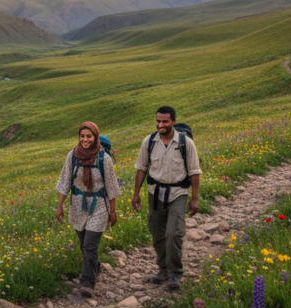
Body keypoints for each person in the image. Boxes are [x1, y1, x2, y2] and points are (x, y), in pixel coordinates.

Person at [131, 106, 202, 290]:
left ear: (173, 122)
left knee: (173, 233)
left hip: (178, 193)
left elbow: (194, 172)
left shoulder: (186, 144)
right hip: (155, 193)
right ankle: (163, 269)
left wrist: (195, 198)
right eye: (158, 121)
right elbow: (141, 168)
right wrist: (136, 193)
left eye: (164, 121)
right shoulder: (149, 142)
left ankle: (175, 273)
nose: (160, 125)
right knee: (157, 235)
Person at [56, 121, 121, 298]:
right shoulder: (72, 156)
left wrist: (113, 211)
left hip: (99, 204)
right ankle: (95, 266)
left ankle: (87, 282)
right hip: (77, 203)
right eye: (82, 136)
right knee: (83, 244)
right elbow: (65, 182)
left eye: (89, 136)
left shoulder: (104, 158)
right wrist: (60, 207)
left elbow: (111, 186)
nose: (85, 139)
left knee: (90, 244)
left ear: (95, 137)